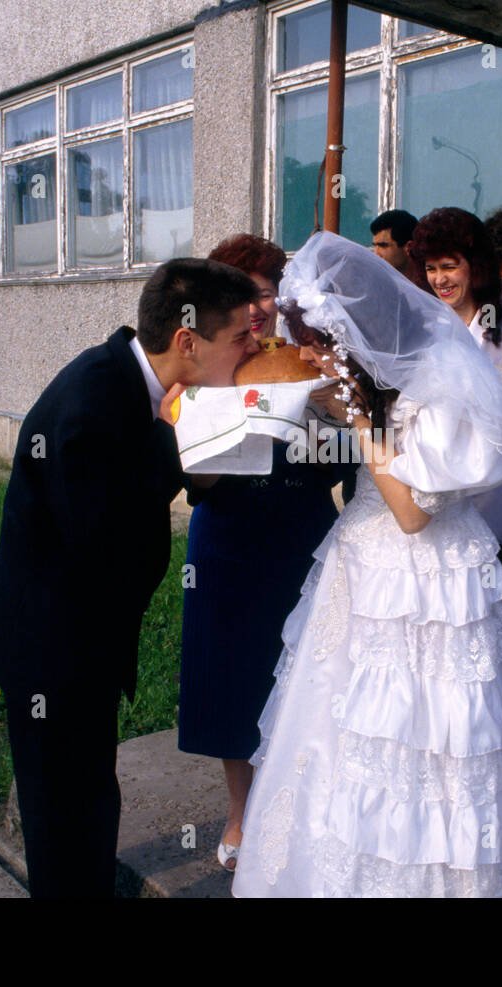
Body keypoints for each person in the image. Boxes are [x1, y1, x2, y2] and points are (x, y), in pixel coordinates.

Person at [230, 232, 502, 897]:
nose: (313, 355)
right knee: (344, 730)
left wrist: (351, 413)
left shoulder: (441, 380)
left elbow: (412, 511)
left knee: (431, 741)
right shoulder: (375, 379)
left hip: (424, 576)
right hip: (360, 565)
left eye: (322, 344)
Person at [0, 259, 260, 897]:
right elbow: (100, 537)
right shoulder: (94, 400)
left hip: (78, 647)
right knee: (65, 823)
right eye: (241, 336)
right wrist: (178, 446)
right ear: (187, 340)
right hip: (51, 651)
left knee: (88, 803)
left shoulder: (131, 381)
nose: (254, 347)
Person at [177, 234, 339, 871]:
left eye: (268, 293)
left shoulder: (306, 359)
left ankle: (300, 805)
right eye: (244, 295)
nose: (257, 309)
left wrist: (319, 421)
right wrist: (242, 431)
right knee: (235, 683)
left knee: (303, 677)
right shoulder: (207, 367)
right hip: (228, 541)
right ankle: (241, 813)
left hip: (302, 535)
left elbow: (339, 466)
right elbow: (195, 483)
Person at [408, 207, 502, 641]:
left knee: (501, 629)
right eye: (431, 268)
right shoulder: (419, 330)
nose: (440, 279)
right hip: (434, 503)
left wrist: (482, 421)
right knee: (446, 631)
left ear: (477, 265)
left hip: (497, 497)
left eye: (450, 266)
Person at [370, 209, 420, 282]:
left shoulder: (436, 286)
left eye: (383, 246)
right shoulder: (375, 286)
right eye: (375, 246)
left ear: (409, 247)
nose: (376, 254)